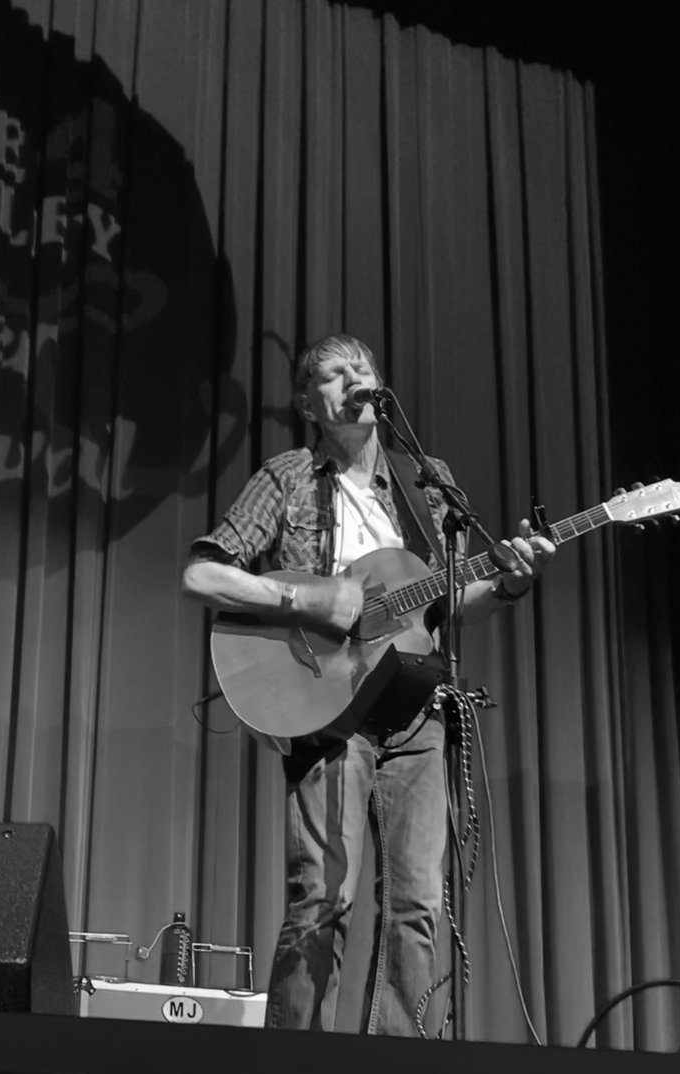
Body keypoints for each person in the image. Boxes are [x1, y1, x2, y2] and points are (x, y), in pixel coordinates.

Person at [181, 332, 554, 1035]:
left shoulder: (426, 482)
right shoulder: (288, 477)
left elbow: (450, 601)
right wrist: (311, 600)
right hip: (329, 707)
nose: (354, 377)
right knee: (323, 901)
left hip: (417, 711)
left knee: (419, 906)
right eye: (334, 373)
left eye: (363, 368)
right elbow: (203, 574)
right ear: (308, 404)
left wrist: (508, 583)